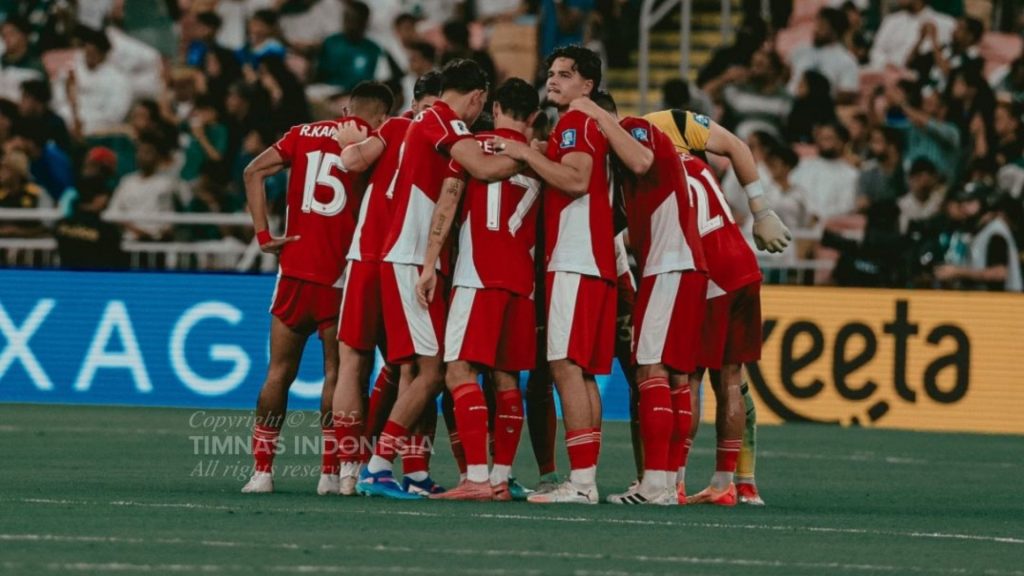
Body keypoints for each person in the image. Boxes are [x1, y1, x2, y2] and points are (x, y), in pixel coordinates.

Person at [355, 59, 521, 500]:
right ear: (478, 97)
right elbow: (482, 169)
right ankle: (374, 466)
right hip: (409, 259)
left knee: (420, 368)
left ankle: (411, 472)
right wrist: (527, 154)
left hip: (418, 258)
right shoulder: (437, 120)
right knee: (432, 372)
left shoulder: (430, 122)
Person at [239, 81, 394, 495]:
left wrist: (263, 235)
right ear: (381, 116)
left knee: (278, 372)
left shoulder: (302, 133)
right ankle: (330, 473)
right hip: (340, 278)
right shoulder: (377, 141)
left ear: (345, 108)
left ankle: (262, 472)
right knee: (338, 373)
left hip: (293, 272)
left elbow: (252, 170)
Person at [568, 90, 708, 505]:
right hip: (681, 264)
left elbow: (642, 159)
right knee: (676, 378)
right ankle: (667, 483)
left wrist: (593, 112)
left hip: (670, 263)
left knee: (650, 374)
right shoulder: (626, 175)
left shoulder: (635, 128)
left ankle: (655, 484)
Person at [492, 45, 614, 505]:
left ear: (588, 86)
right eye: (552, 74)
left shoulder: (576, 123)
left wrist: (524, 152)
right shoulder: (583, 125)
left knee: (565, 366)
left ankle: (582, 483)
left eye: (565, 75)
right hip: (590, 258)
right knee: (579, 372)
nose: (553, 81)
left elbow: (577, 180)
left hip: (574, 258)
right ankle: (584, 479)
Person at [421, 78, 541, 501]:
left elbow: (448, 202)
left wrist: (430, 263)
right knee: (508, 378)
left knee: (459, 372)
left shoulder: (473, 146)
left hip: (478, 274)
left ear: (495, 109)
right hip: (522, 282)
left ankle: (474, 476)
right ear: (534, 118)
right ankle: (500, 478)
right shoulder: (541, 158)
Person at [329, 71, 444, 497]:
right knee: (413, 367)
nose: (437, 115)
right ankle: (405, 471)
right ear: (415, 106)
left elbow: (350, 161)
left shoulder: (395, 128)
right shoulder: (440, 135)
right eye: (432, 107)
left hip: (373, 258)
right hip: (401, 260)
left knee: (365, 364)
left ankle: (353, 470)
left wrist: (348, 140)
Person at [682, 153, 765, 507]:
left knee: (690, 377)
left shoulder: (657, 163)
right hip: (745, 266)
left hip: (712, 275)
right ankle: (730, 483)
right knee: (733, 380)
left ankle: (672, 481)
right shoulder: (703, 168)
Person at [787, 7, 860, 104]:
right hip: (788, 103)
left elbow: (847, 93)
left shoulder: (847, 60)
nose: (816, 29)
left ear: (835, 32)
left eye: (822, 26)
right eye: (816, 24)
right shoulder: (800, 50)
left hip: (820, 109)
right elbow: (785, 78)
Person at [54, 174, 126, 269]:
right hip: (97, 280)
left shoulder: (61, 224)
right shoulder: (107, 231)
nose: (106, 200)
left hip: (67, 279)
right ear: (98, 198)